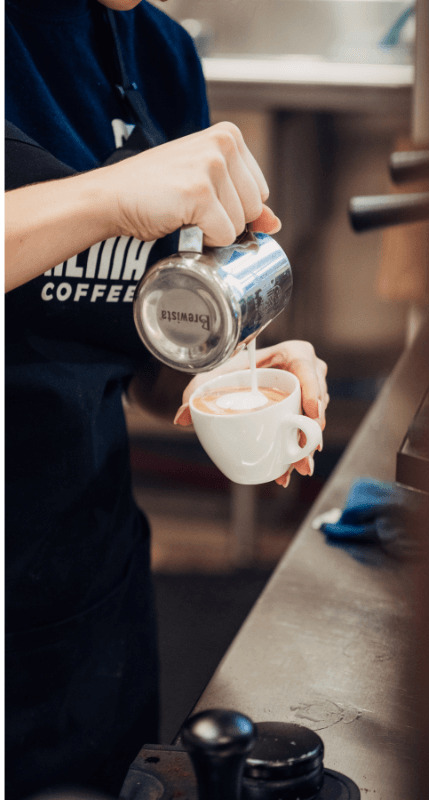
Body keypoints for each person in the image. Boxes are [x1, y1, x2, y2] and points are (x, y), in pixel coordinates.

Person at [4, 1, 328, 798]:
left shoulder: (158, 50)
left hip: (84, 591)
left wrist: (218, 372)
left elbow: (143, 349)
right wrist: (106, 198)